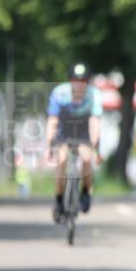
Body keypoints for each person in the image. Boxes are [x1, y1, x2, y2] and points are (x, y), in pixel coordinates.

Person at [46, 63, 103, 221]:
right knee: (62, 160)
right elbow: (52, 121)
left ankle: (85, 191)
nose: (79, 84)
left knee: (86, 158)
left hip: (84, 131)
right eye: (75, 80)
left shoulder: (94, 95)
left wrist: (96, 147)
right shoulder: (59, 93)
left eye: (83, 80)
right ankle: (58, 199)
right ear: (70, 81)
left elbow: (95, 123)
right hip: (64, 131)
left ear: (88, 82)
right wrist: (49, 146)